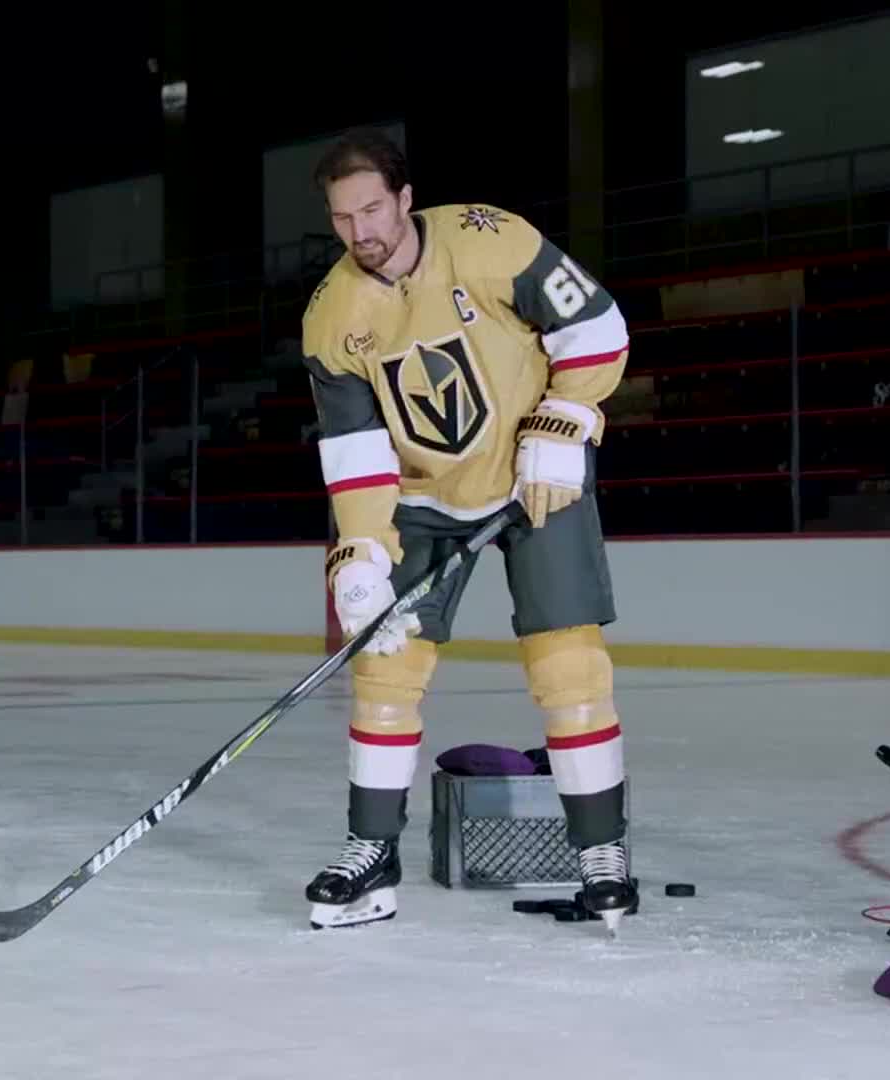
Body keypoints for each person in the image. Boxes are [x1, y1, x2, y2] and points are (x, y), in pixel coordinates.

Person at [299, 129, 635, 932]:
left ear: (406, 198)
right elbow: (355, 453)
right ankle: (371, 852)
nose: (361, 233)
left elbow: (597, 328)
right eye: (343, 219)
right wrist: (360, 553)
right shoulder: (331, 318)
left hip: (533, 477)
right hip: (421, 500)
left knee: (569, 664)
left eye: (373, 209)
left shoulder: (494, 241)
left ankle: (600, 853)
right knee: (386, 670)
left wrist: (568, 416)